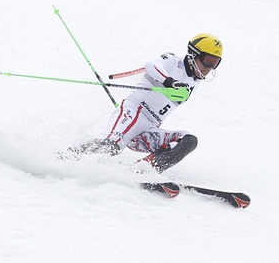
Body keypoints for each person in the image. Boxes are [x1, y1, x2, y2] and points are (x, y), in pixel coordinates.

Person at [70, 33, 223, 173]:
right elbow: (151, 65)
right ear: (193, 54)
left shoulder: (195, 81)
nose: (209, 68)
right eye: (207, 61)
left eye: (215, 63)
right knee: (111, 146)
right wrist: (169, 82)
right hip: (133, 112)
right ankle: (66, 158)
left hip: (148, 130)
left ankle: (144, 170)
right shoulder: (174, 61)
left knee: (189, 141)